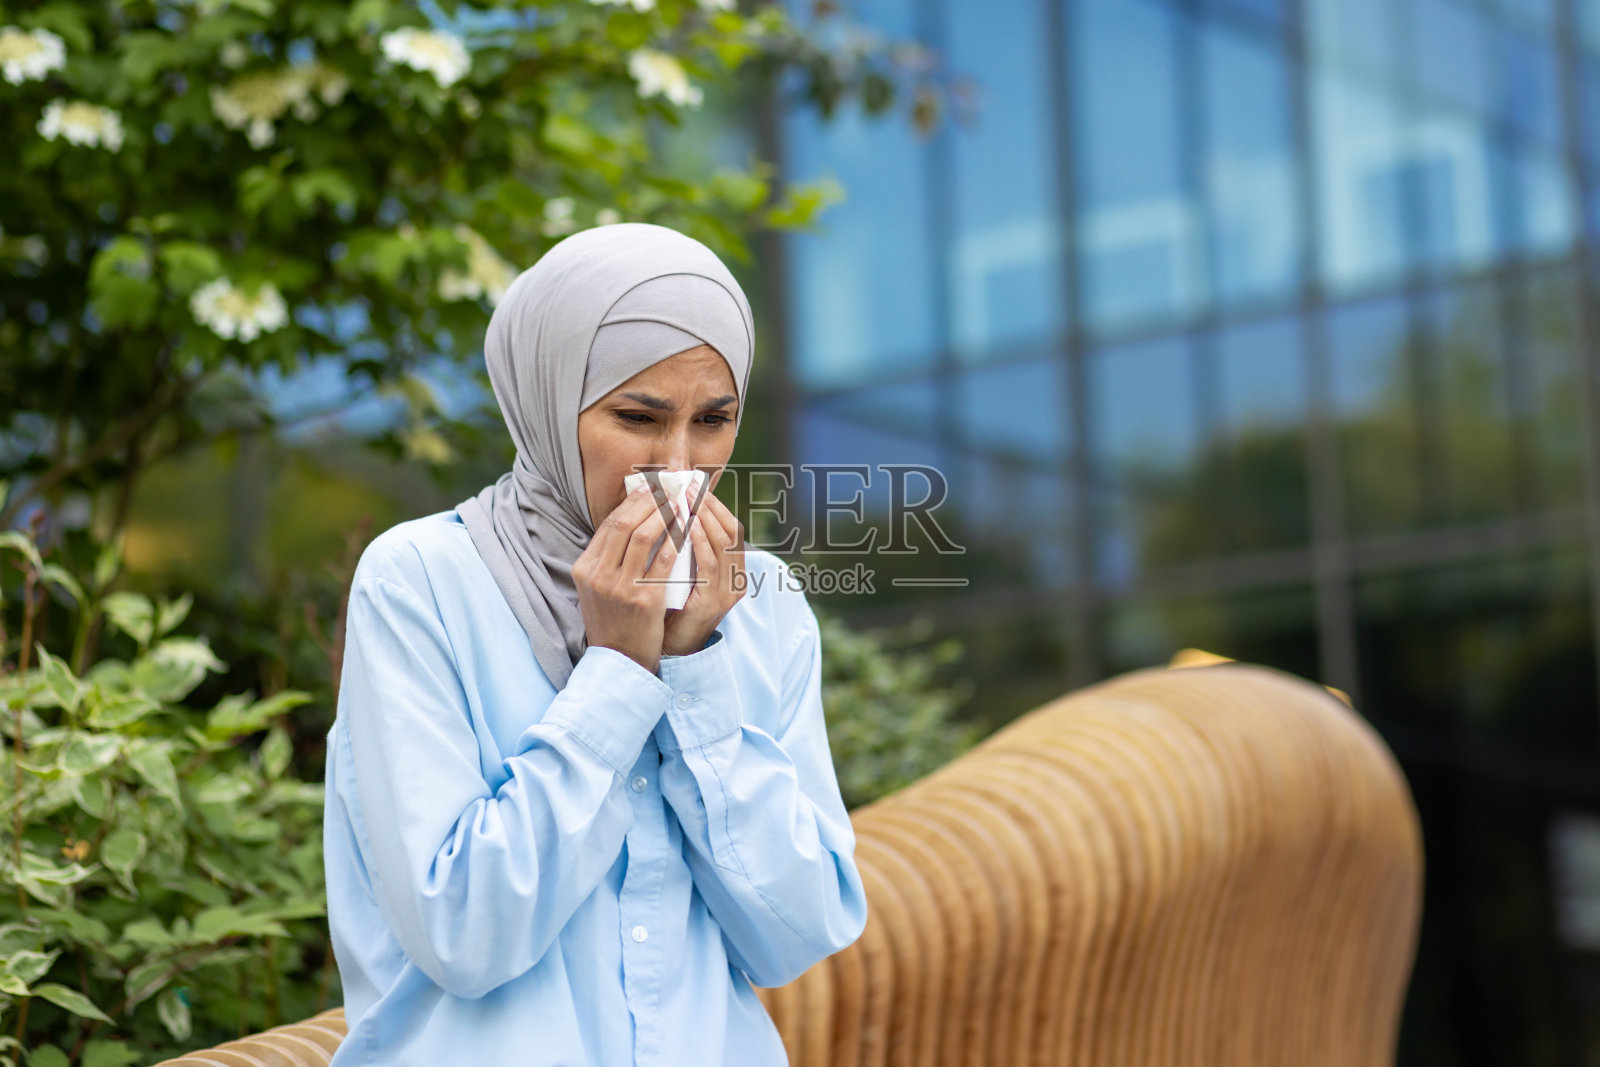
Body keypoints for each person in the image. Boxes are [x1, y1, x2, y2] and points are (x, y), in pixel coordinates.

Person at [321, 223, 868, 1065]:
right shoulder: (422, 580)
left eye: (713, 420)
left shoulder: (761, 608)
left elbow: (798, 930)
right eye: (638, 416)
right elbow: (462, 932)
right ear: (545, 397)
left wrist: (695, 670)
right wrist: (618, 672)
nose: (679, 466)